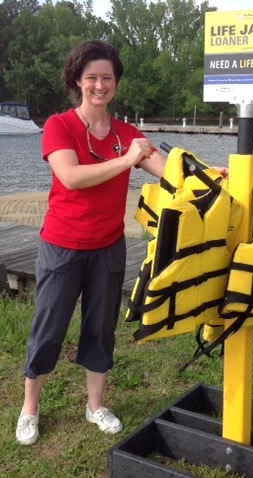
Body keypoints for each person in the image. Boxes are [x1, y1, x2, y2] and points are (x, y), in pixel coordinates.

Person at [15, 39, 166, 445]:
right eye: (92, 78)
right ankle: (30, 408)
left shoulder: (126, 134)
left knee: (100, 328)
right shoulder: (59, 125)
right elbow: (72, 177)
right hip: (62, 246)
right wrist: (128, 159)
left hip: (107, 247)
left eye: (108, 78)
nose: (100, 85)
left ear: (116, 83)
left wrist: (211, 173)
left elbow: (168, 170)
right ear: (77, 81)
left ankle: (95, 405)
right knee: (49, 329)